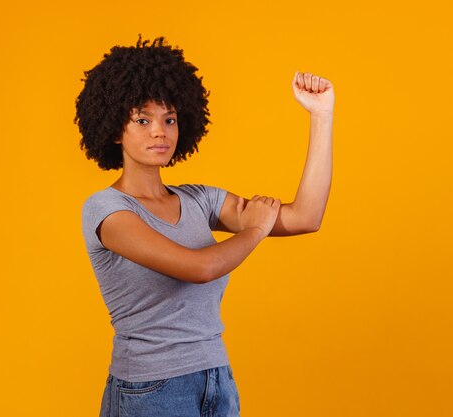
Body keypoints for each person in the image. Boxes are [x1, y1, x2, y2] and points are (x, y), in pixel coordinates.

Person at [75, 34, 334, 417]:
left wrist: (321, 115)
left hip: (216, 381)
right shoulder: (106, 210)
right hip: (149, 391)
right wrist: (255, 230)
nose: (159, 131)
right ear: (115, 129)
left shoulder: (200, 200)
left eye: (169, 119)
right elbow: (199, 268)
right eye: (142, 120)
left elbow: (306, 217)